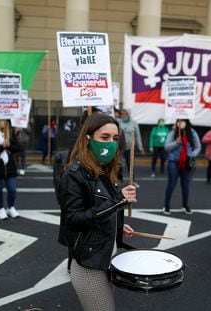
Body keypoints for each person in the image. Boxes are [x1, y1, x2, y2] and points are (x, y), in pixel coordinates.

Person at [57, 113, 136, 311]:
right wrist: (118, 201)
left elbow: (102, 212)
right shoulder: (74, 175)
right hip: (88, 266)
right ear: (88, 138)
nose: (111, 143)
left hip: (107, 258)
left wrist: (117, 225)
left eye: (115, 139)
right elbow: (73, 220)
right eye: (104, 137)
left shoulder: (107, 171)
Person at [163, 119, 201, 215]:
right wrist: (176, 142)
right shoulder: (173, 133)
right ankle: (167, 206)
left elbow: (198, 147)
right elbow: (166, 147)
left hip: (186, 162)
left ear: (187, 122)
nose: (181, 123)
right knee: (171, 184)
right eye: (179, 121)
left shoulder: (192, 132)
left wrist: (191, 155)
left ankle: (185, 205)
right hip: (173, 161)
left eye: (183, 121)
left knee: (185, 185)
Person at [118, 109, 144, 186]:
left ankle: (132, 181)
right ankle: (118, 180)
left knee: (130, 164)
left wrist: (140, 147)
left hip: (130, 147)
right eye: (122, 114)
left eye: (125, 114)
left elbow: (138, 135)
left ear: (128, 114)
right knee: (118, 164)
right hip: (119, 147)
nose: (123, 116)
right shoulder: (118, 122)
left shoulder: (134, 123)